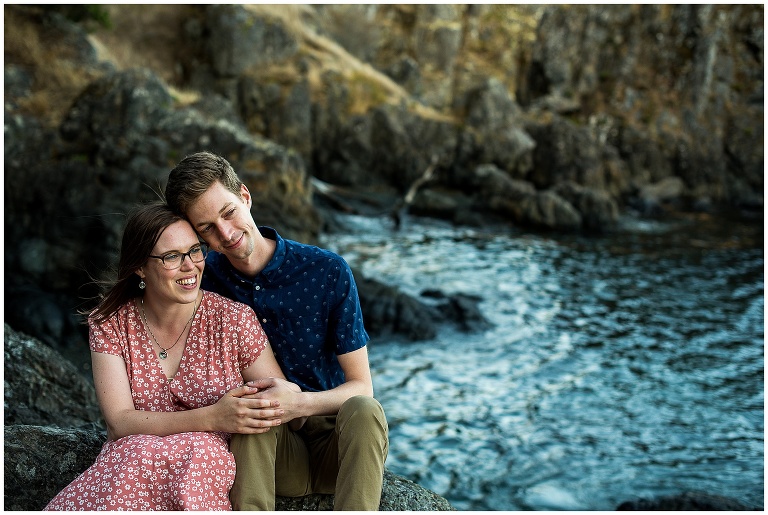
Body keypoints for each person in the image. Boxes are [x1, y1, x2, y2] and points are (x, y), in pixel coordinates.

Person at [165, 151, 389, 511]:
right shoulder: (207, 284)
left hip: (338, 446)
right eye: (207, 228)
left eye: (228, 213)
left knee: (365, 409)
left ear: (245, 196)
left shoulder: (327, 271)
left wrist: (298, 402)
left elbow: (362, 385)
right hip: (273, 455)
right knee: (255, 412)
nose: (225, 233)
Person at [45, 202, 297, 511]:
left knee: (201, 453)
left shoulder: (233, 320)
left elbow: (280, 395)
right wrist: (213, 417)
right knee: (137, 453)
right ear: (139, 266)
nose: (190, 266)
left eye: (194, 250)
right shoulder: (110, 323)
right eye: (171, 257)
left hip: (209, 464)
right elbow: (119, 422)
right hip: (132, 464)